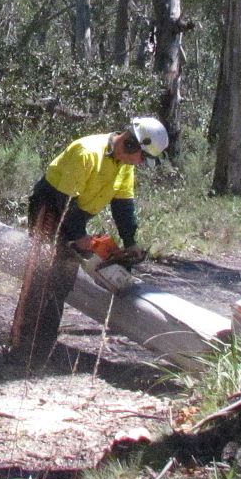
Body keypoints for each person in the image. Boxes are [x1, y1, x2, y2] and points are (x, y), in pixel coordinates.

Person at [9, 116, 169, 364]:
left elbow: (123, 204)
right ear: (130, 144)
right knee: (41, 272)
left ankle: (42, 349)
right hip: (51, 205)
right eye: (143, 157)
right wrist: (79, 235)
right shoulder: (86, 152)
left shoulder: (123, 165)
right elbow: (64, 201)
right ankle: (20, 347)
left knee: (63, 279)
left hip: (75, 213)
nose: (140, 163)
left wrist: (130, 241)